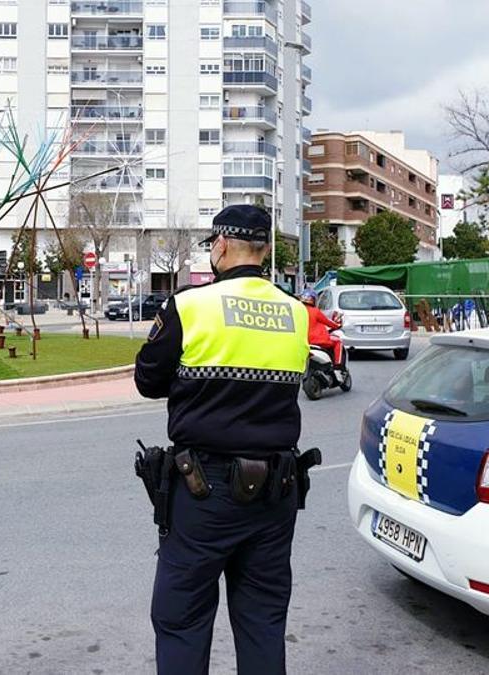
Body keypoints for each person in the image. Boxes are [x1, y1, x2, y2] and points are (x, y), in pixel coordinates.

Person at [135, 204, 312, 675]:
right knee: (262, 622)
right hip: (276, 492)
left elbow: (148, 380)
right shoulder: (296, 313)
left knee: (182, 619)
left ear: (220, 246)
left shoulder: (190, 305)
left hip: (203, 493)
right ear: (267, 248)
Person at [300, 289, 343, 367]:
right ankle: (338, 365)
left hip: (301, 340)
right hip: (316, 341)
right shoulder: (315, 311)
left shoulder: (296, 310)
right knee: (338, 341)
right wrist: (337, 324)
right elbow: (330, 323)